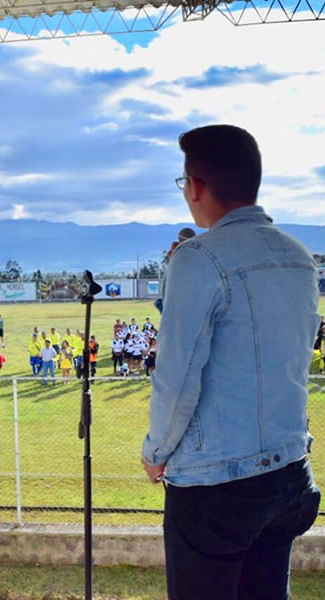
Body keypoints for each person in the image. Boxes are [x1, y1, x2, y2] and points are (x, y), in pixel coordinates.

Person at [142, 125, 321, 600]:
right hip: (289, 472)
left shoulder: (198, 258)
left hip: (216, 488)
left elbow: (177, 377)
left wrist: (156, 453)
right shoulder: (300, 258)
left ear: (196, 186)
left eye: (184, 182)